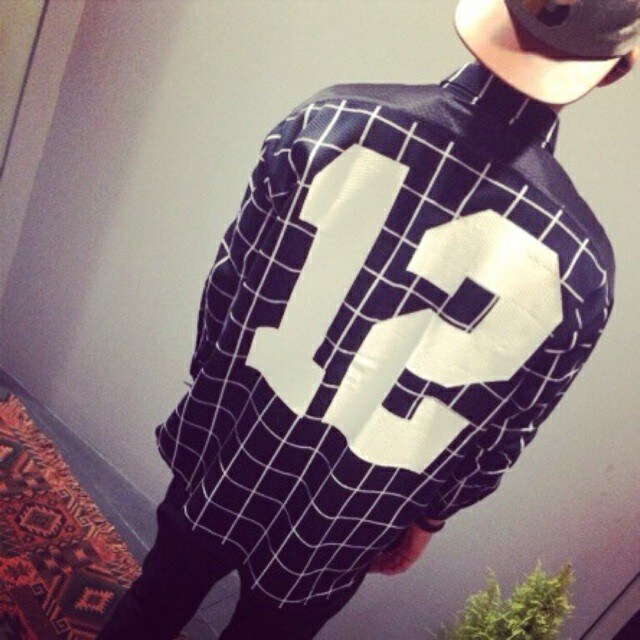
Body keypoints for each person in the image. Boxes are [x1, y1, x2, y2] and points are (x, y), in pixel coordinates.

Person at [97, 1, 639, 638]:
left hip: (233, 442)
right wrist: (429, 518)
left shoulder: (329, 120)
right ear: (613, 70)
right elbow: (500, 437)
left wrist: (205, 411)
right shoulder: (583, 270)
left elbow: (226, 291)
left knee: (152, 605)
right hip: (353, 510)